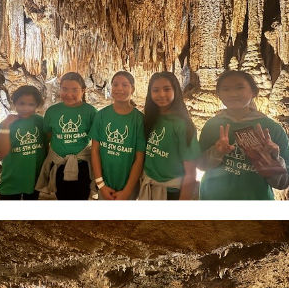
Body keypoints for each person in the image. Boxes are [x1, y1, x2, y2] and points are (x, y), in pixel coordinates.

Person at [198, 70, 289, 200]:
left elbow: (284, 183)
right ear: (218, 94)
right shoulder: (212, 125)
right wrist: (216, 152)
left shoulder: (272, 129)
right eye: (226, 89)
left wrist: (270, 160)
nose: (233, 94)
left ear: (254, 92)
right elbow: (200, 164)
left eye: (240, 88)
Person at [138, 72, 201, 200]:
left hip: (171, 191)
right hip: (148, 185)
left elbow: (190, 171)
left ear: (175, 91)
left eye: (167, 89)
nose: (161, 94)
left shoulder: (182, 125)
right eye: (155, 90)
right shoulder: (149, 120)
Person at [36, 72, 97, 199]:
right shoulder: (52, 111)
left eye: (75, 90)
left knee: (82, 196)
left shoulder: (91, 112)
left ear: (83, 91)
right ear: (60, 89)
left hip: (83, 164)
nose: (69, 94)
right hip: (59, 163)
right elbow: (48, 136)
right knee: (62, 196)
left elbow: (96, 139)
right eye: (64, 89)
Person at [90, 71, 146, 200]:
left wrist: (127, 191)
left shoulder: (139, 120)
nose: (119, 88)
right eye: (115, 84)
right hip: (104, 184)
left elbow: (139, 158)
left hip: (128, 187)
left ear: (133, 89)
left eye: (125, 85)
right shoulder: (101, 116)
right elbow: (95, 151)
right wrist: (100, 184)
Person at [0, 85, 47, 200]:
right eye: (21, 103)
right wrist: (6, 126)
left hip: (34, 178)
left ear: (37, 105)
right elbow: (1, 153)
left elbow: (47, 147)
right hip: (12, 180)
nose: (25, 108)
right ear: (14, 103)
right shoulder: (6, 124)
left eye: (31, 104)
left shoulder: (41, 122)